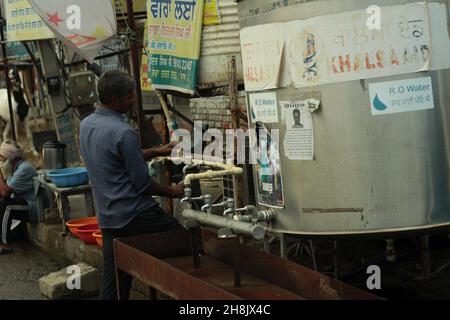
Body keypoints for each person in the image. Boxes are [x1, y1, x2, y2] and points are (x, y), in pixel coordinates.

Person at [79, 70, 185, 300]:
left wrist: (158, 150)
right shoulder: (123, 131)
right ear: (115, 99)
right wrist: (174, 192)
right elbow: (142, 184)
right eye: (128, 97)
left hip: (108, 217)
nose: (132, 101)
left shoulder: (87, 124)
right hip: (135, 214)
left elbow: (116, 158)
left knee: (114, 282)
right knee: (185, 242)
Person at [0, 141, 37, 255]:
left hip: (33, 208)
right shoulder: (14, 168)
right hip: (21, 203)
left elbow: (5, 192)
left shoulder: (24, 169)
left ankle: (5, 244)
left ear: (10, 158)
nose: (0, 160)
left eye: (2, 157)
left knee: (5, 205)